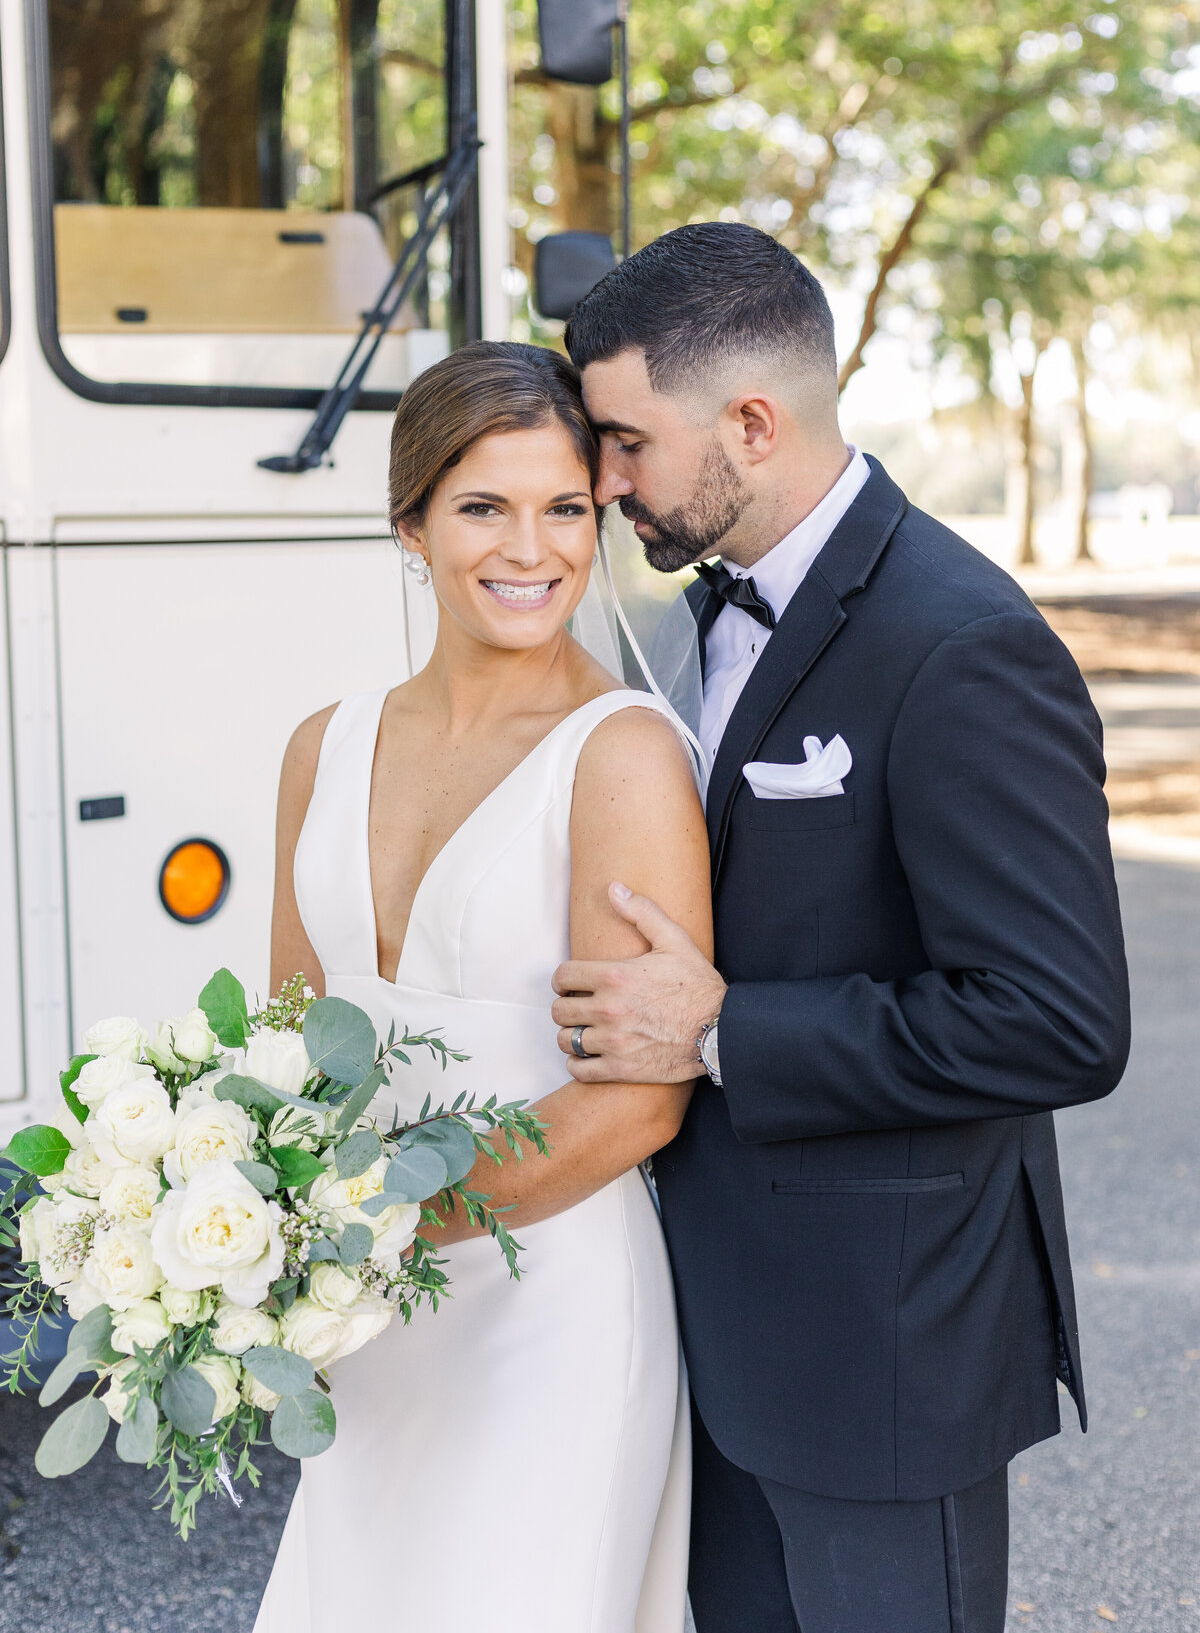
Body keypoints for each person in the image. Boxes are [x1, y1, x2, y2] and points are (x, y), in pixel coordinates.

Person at [553, 222, 1131, 1633]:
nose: (602, 480)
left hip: (884, 1346)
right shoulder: (707, 605)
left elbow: (1058, 1019)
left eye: (625, 441)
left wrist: (720, 1029)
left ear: (753, 423)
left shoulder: (962, 643)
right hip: (711, 1332)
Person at [254, 343, 711, 1632]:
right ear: (412, 524)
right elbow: (284, 1040)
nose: (534, 549)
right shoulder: (323, 746)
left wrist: (379, 1230)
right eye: (482, 507)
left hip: (544, 1306)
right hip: (365, 1321)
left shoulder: (619, 756)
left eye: (566, 507)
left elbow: (639, 1107)